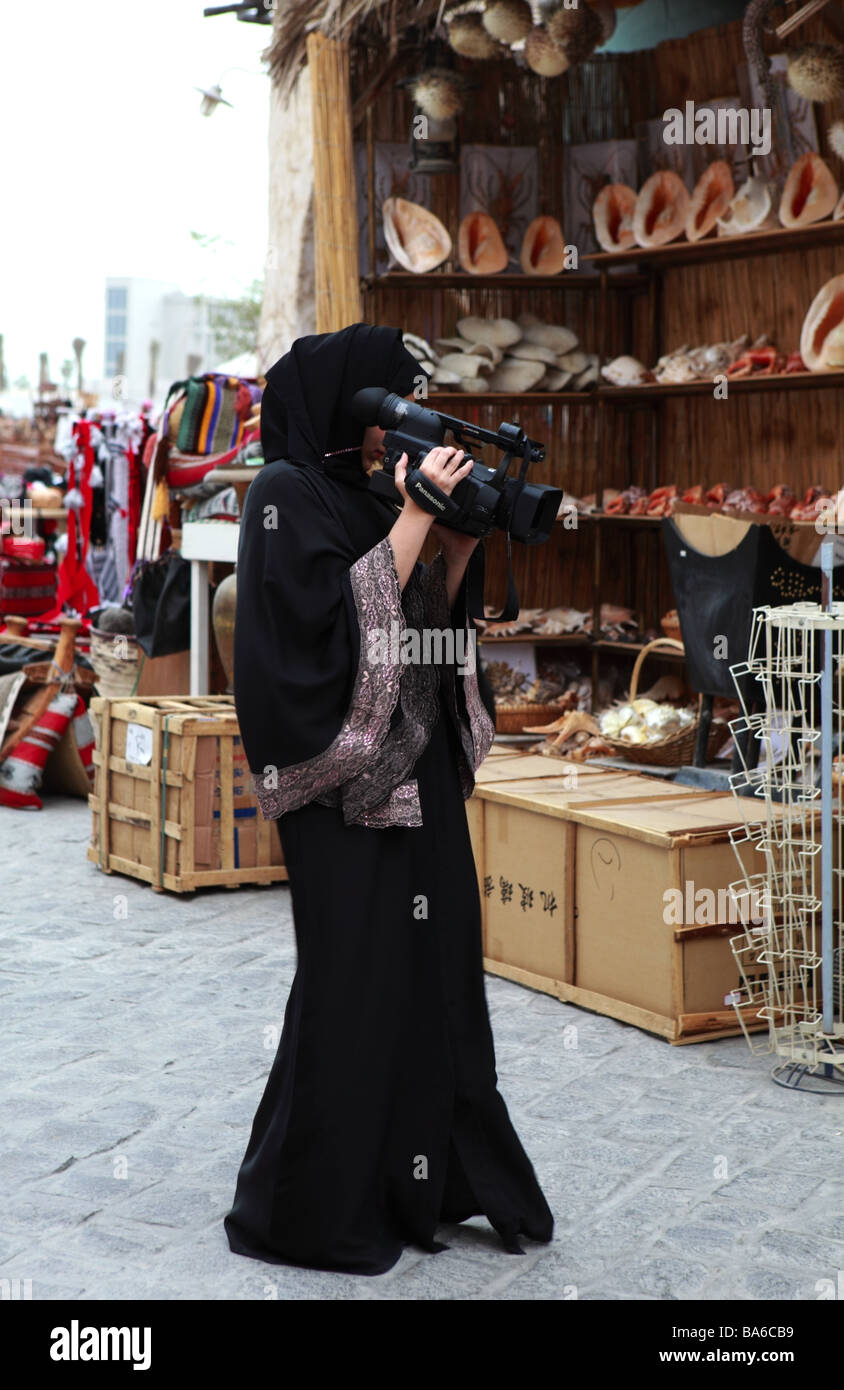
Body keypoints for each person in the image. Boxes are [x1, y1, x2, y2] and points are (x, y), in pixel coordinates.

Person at [224, 322, 554, 1276]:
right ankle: (307, 1206)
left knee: (438, 977)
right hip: (343, 790)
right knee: (354, 983)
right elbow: (321, 633)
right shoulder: (284, 495)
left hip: (417, 773)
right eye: (379, 407)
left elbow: (425, 625)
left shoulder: (372, 492)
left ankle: (437, 1179)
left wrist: (451, 539)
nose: (388, 435)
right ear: (341, 403)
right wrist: (411, 521)